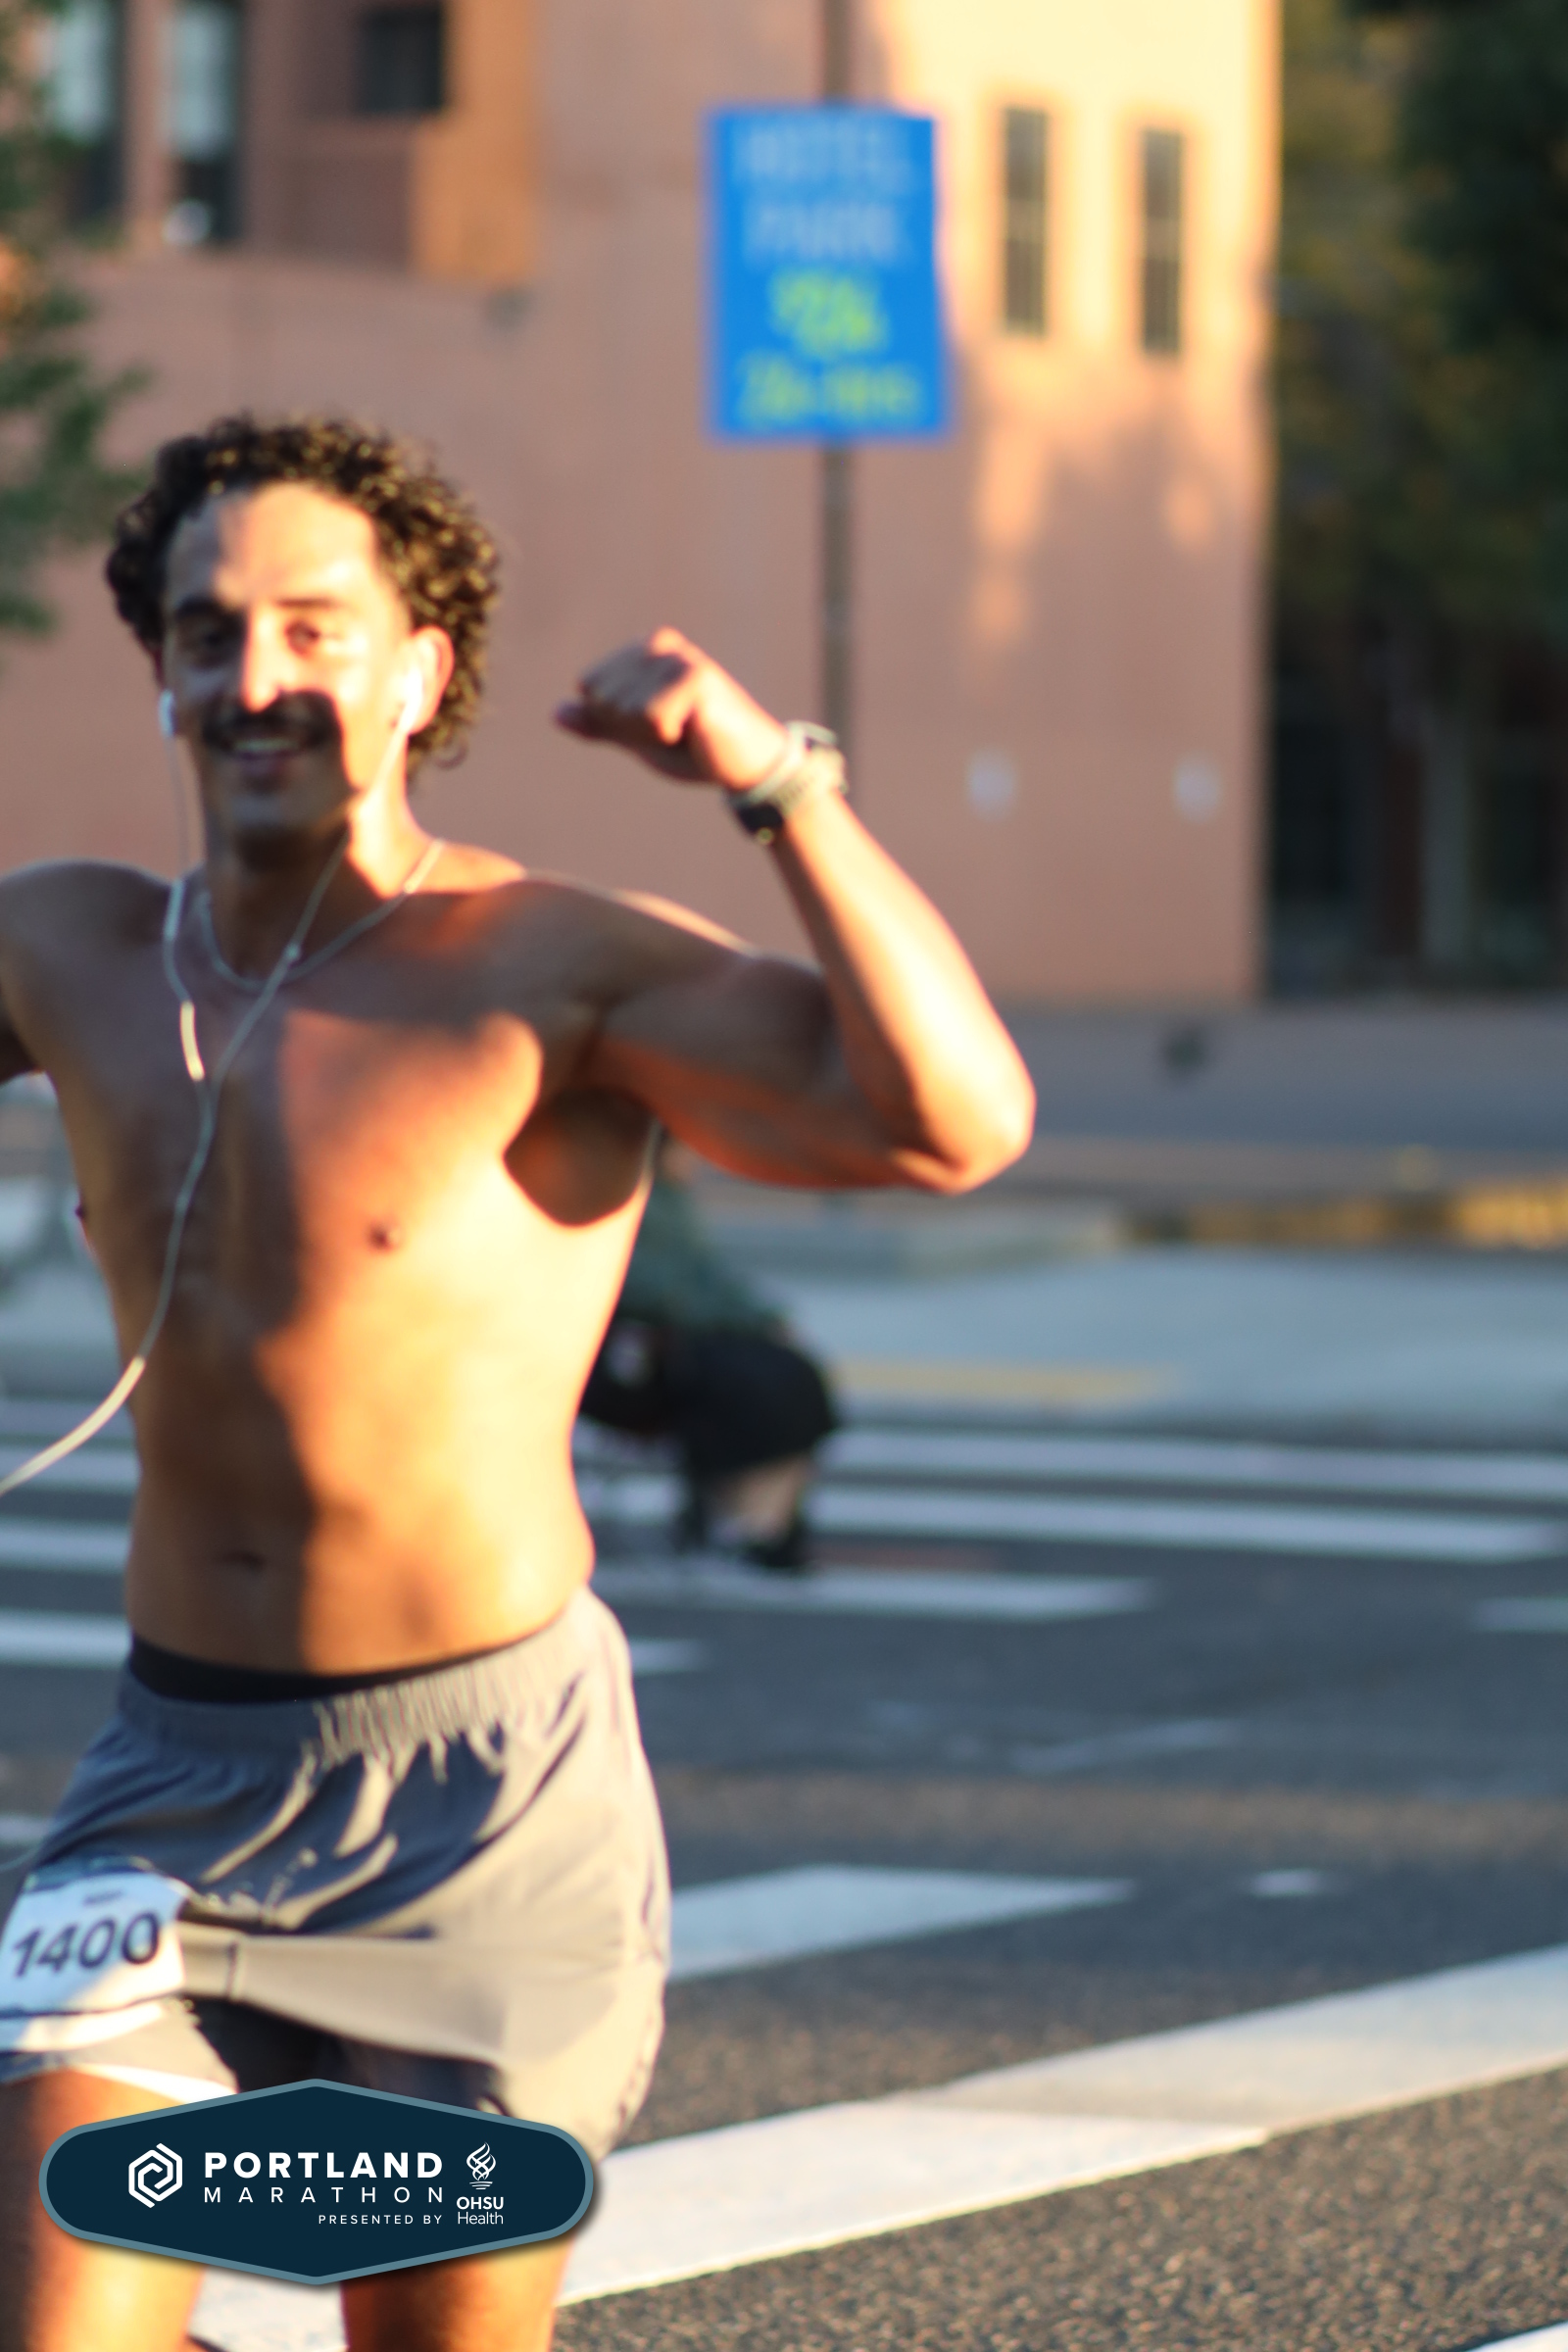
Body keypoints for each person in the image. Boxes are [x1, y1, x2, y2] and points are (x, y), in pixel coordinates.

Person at [0, 414, 1035, 2352]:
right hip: (169, 1785)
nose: (256, 675)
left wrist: (776, 784)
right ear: (160, 671)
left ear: (422, 671)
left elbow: (952, 1124)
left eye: (313, 628)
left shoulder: (544, 969)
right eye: (210, 632)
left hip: (476, 1809)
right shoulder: (73, 947)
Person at [579, 1142, 838, 1570]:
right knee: (754, 1387)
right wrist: (738, 1317)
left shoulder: (668, 1198)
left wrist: (762, 1317)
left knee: (794, 1378)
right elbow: (654, 1287)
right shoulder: (628, 1199)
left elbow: (707, 1277)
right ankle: (747, 1523)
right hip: (646, 1359)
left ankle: (767, 1523)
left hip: (695, 1339)